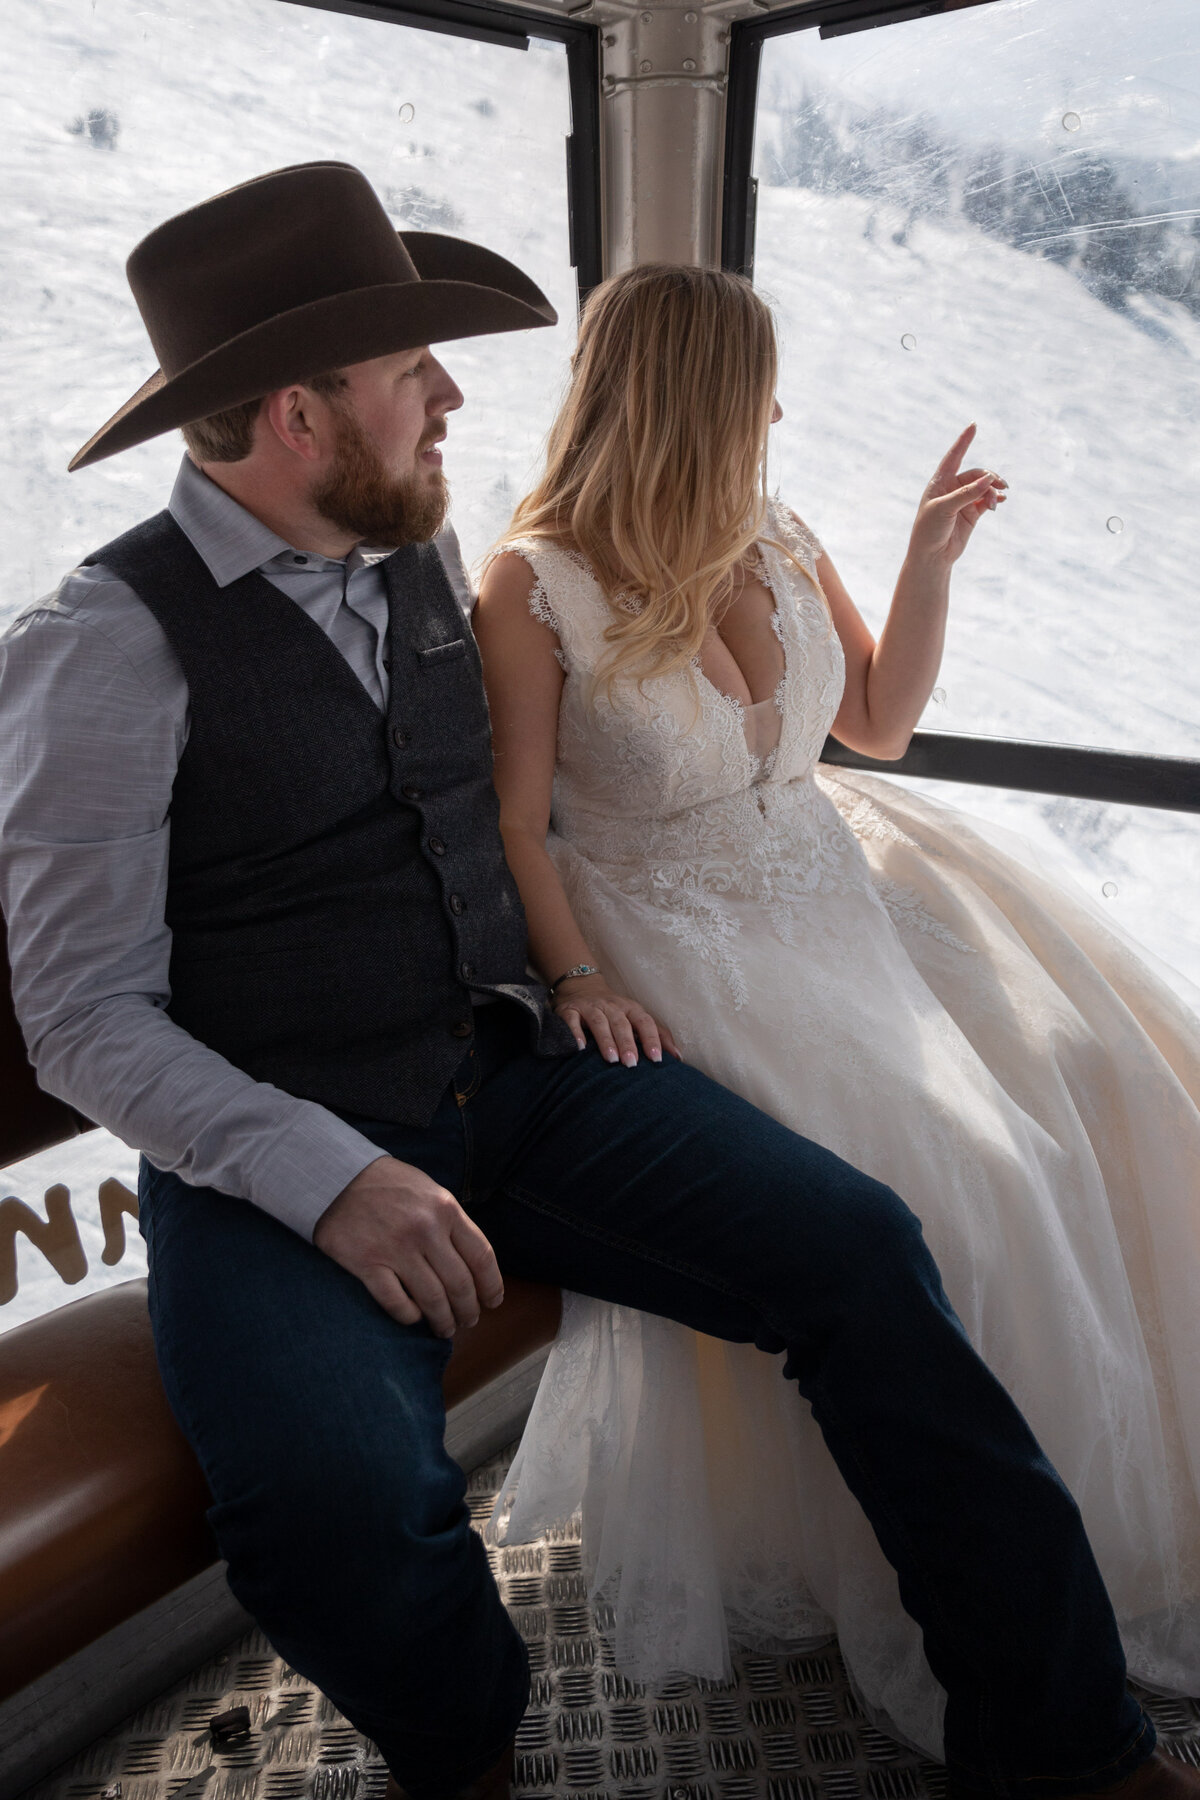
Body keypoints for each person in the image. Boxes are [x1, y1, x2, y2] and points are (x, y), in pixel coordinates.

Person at [0, 166, 1193, 1800]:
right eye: (413, 371)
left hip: (524, 1079)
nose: (454, 398)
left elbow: (493, 822)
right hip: (283, 1157)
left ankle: (1068, 1742)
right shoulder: (100, 650)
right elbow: (77, 1017)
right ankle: (473, 1753)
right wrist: (330, 1177)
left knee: (867, 1250)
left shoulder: (406, 554)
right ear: (297, 413)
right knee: (336, 1504)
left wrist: (573, 975)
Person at [472, 261, 1200, 1761]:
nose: (784, 412)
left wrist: (927, 561)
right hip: (672, 934)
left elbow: (876, 724)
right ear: (684, 399)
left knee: (1089, 1086)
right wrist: (579, 976)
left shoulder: (777, 528)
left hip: (836, 882)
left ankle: (1083, 1543)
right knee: (960, 1188)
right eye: (759, 387)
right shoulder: (531, 581)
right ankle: (942, 1583)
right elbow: (515, 825)